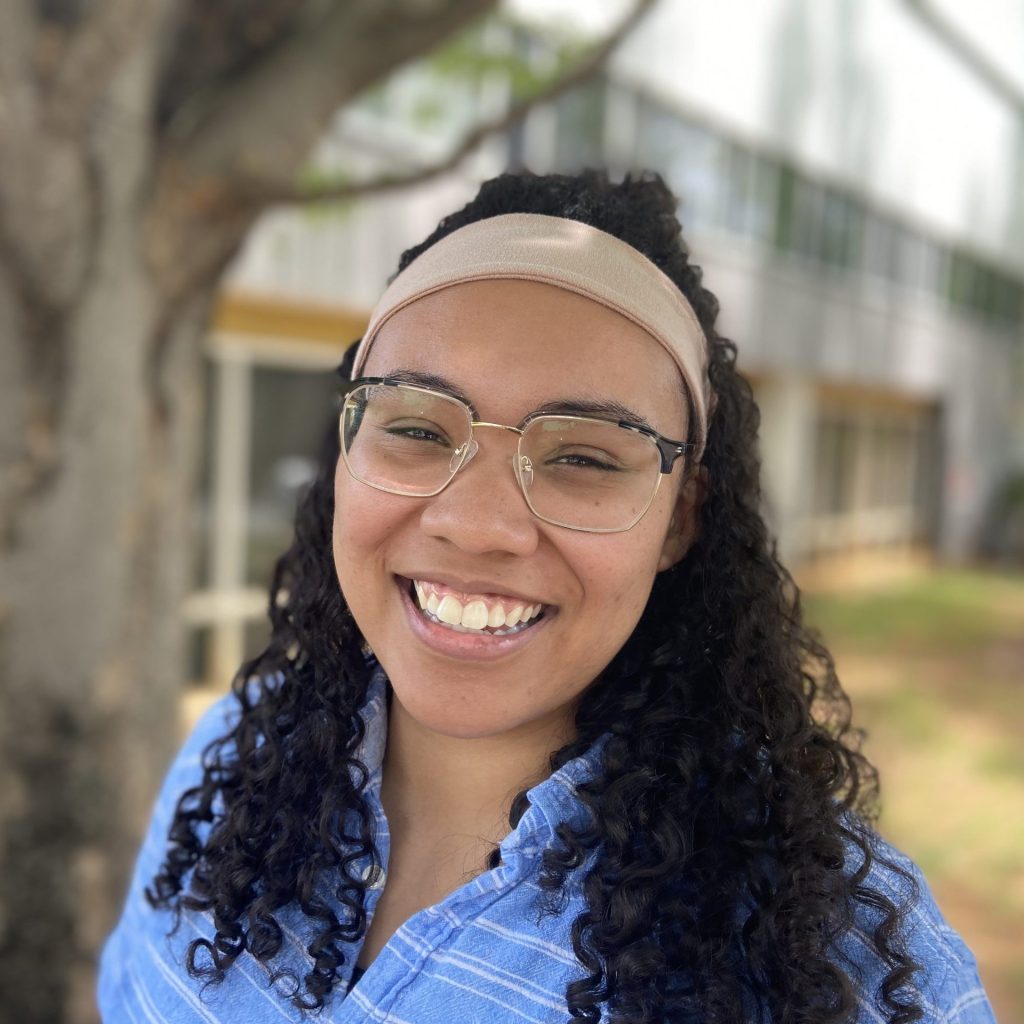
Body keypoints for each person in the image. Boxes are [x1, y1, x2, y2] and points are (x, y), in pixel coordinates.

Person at [98, 169, 995, 1024]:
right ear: (346, 456)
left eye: (582, 457)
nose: (477, 524)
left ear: (680, 520)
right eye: (415, 426)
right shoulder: (226, 764)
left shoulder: (844, 956)